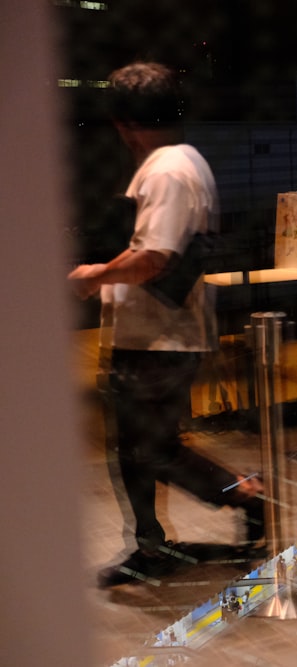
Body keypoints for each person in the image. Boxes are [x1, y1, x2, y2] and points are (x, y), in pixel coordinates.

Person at [68, 61, 264, 588]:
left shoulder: (166, 172)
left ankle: (223, 505)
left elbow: (154, 257)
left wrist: (92, 275)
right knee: (145, 449)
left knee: (144, 450)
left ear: (122, 123)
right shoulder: (183, 161)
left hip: (158, 339)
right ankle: (167, 536)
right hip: (162, 335)